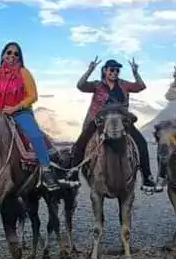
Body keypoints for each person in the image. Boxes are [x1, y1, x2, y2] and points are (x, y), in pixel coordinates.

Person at [0, 36, 63, 191]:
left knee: (35, 135)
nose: (12, 56)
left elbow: (33, 96)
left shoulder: (24, 72)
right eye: (9, 52)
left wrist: (15, 108)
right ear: (3, 55)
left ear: (20, 57)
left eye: (16, 54)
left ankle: (46, 169)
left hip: (20, 112)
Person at [68, 58, 159, 191]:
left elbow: (140, 86)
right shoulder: (97, 85)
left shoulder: (124, 84)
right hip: (100, 119)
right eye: (112, 69)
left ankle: (147, 177)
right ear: (105, 70)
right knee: (80, 142)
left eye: (117, 70)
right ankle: (73, 174)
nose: (115, 72)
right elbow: (81, 86)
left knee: (141, 143)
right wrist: (90, 70)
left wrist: (135, 72)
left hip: (122, 119)